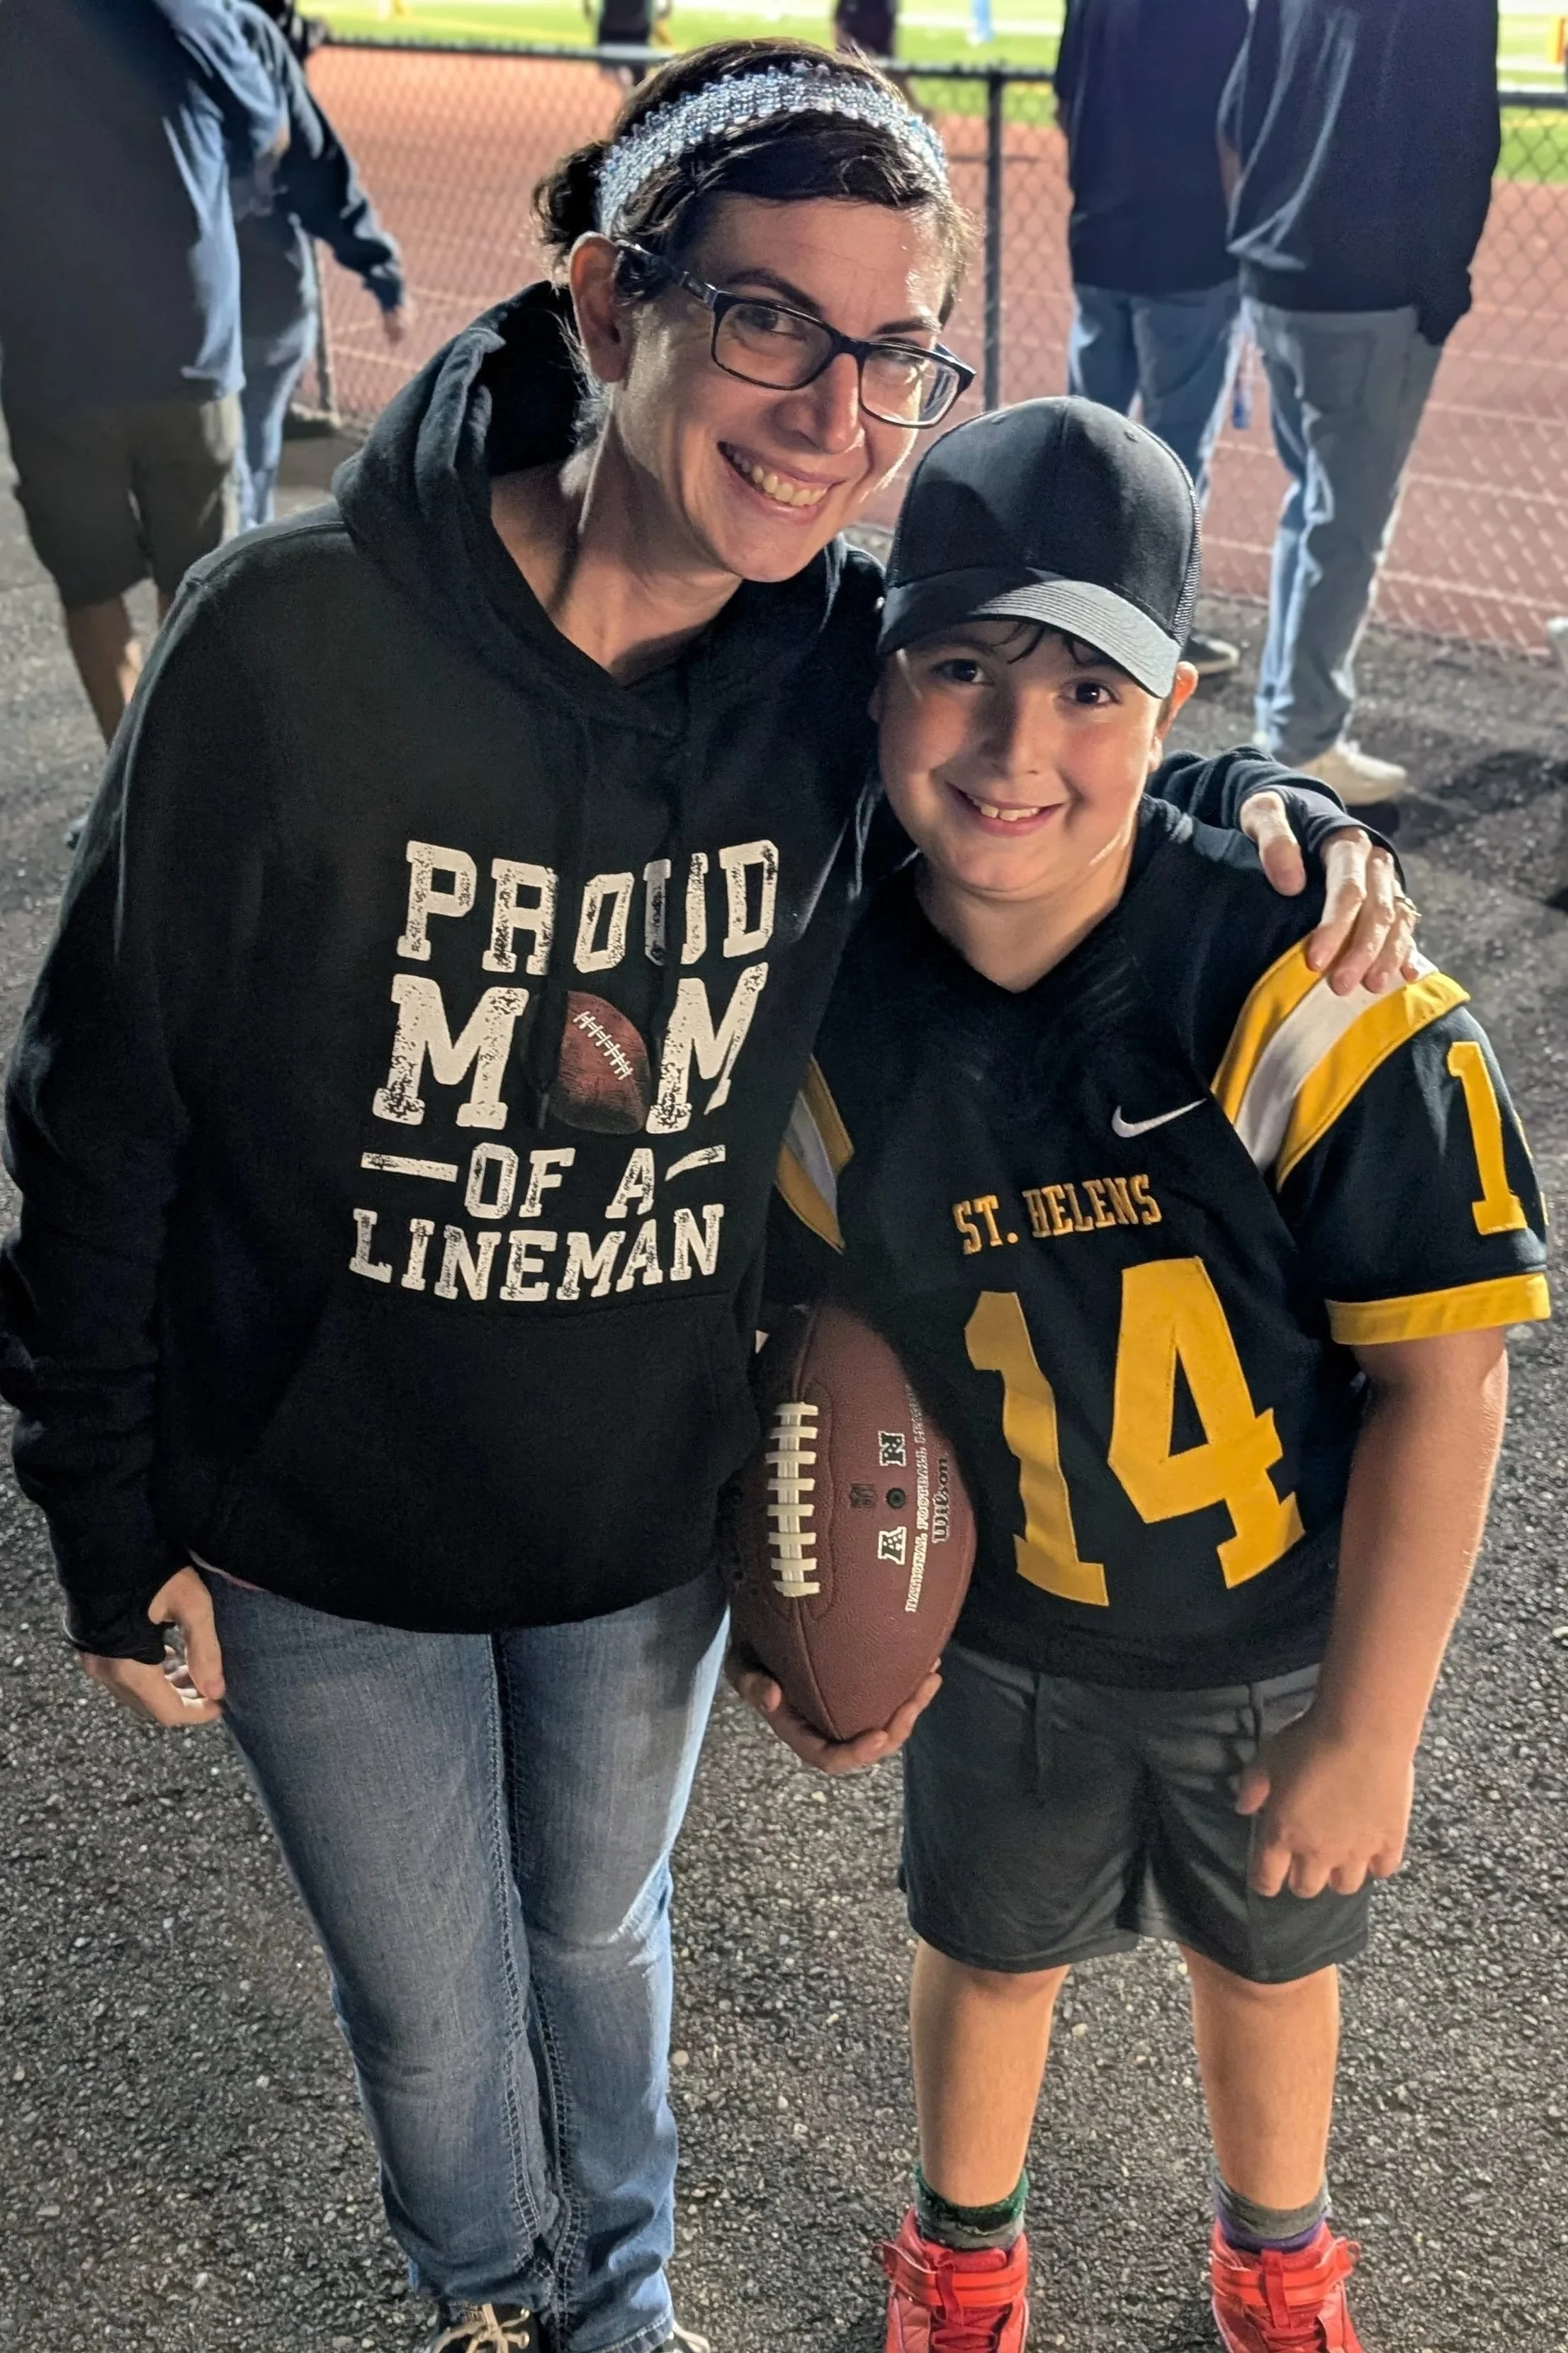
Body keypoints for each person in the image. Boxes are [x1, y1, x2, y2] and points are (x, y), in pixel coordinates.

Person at [0, 44, 1406, 2353]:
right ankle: (479, 2295)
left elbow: (1042, 747)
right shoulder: (288, 645)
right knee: (440, 2011)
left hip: (638, 1506)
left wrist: (1282, 813)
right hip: (307, 1504)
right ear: (605, 299)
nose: (831, 411)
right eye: (766, 324)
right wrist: (101, 1506)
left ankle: (620, 2298)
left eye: (890, 357)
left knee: (596, 1936)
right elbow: (100, 1111)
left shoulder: (830, 676)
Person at [738, 397, 1547, 2352]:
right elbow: (788, 1345)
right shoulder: (822, 1013)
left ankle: (1273, 2257)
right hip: (999, 1629)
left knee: (1268, 1968)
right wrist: (797, 1606)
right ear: (878, 677)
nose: (1018, 748)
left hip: (1269, 1626)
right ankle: (963, 2256)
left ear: (1174, 696)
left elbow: (1446, 1378)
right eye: (959, 670)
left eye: (1088, 688)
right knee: (982, 1952)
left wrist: (1369, 1723)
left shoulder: (1293, 984)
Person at [1219, 0, 1501, 805]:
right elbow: (1461, 137)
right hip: (1370, 289)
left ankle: (1288, 721)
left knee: (1311, 507)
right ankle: (1302, 739)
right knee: (1344, 524)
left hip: (1276, 272)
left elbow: (1238, 112)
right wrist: (1439, 290)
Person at [0, 0, 284, 746]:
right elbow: (266, 132)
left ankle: (126, 791)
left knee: (91, 590)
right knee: (197, 590)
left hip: (49, 355)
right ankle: (178, 782)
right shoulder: (185, 8)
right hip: (183, 344)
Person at [1054, 0, 1250, 680]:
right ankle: (1155, 627)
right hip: (1189, 249)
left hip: (1102, 235)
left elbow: (1065, 101)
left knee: (1089, 442)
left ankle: (1064, 607)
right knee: (1174, 457)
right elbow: (1235, 130)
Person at [232, 1, 409, 527]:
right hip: (259, 291)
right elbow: (319, 169)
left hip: (192, 300)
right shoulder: (251, 35)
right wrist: (380, 272)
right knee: (240, 464)